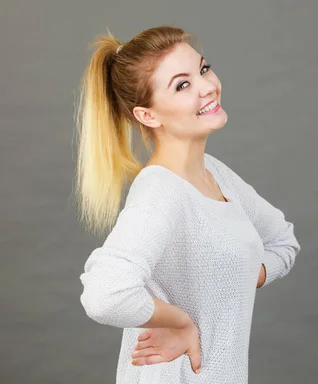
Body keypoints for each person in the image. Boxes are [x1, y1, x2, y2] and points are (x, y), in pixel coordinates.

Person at [74, 25, 301, 384]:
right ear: (148, 115)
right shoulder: (161, 192)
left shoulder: (216, 174)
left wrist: (239, 277)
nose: (207, 86)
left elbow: (283, 242)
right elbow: (105, 295)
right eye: (183, 85)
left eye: (203, 69)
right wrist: (176, 321)